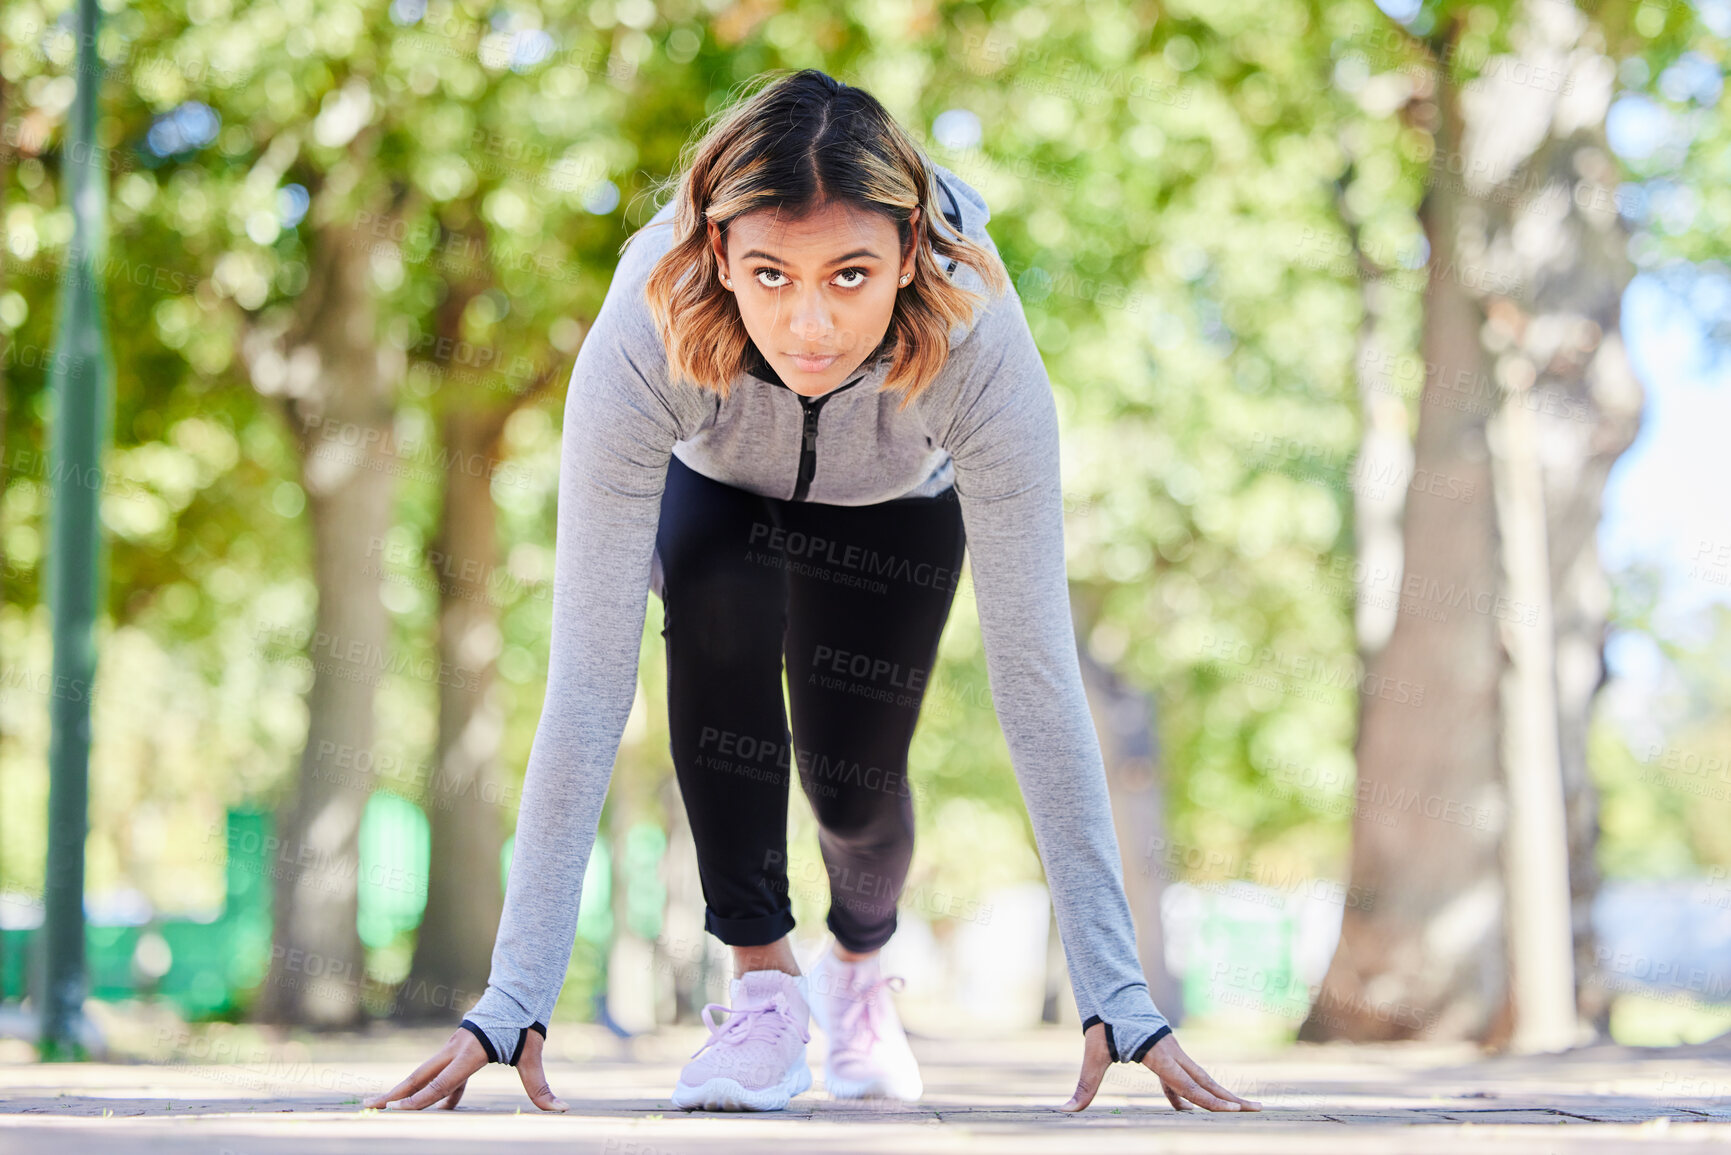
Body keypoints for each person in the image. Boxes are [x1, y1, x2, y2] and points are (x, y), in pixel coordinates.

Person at [365, 68, 1261, 1117]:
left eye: (850, 274)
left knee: (853, 782)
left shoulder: (978, 336)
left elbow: (1035, 678)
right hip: (719, 490)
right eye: (769, 274)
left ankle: (858, 965)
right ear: (715, 253)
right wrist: (514, 993)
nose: (809, 326)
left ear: (911, 250)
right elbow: (590, 681)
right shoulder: (646, 324)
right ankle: (763, 987)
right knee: (716, 599)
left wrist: (1119, 988)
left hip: (897, 504)